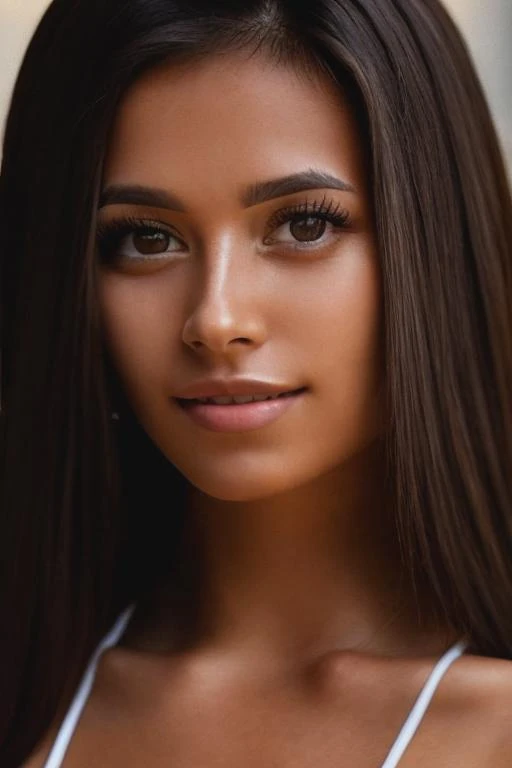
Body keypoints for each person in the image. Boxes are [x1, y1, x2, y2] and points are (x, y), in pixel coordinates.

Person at [1, 0, 511, 765]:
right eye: (145, 239)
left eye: (305, 224)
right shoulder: (26, 689)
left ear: (434, 236)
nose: (216, 317)